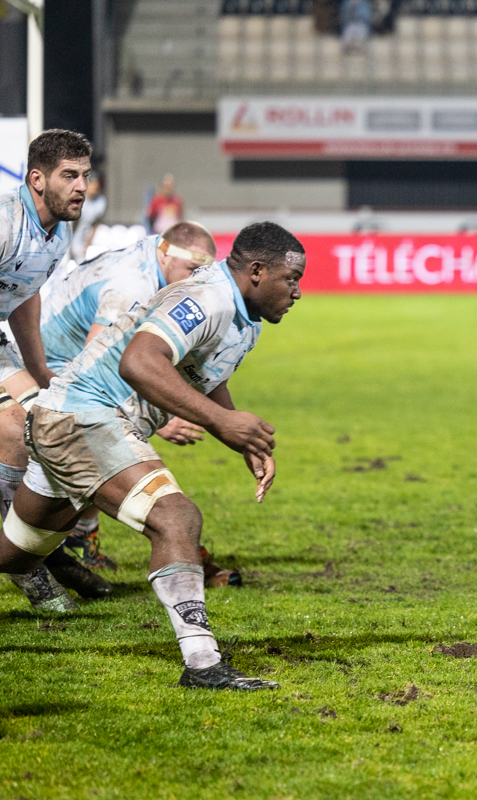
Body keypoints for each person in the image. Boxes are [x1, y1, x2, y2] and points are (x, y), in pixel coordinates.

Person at [0, 221, 303, 689]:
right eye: (292, 279)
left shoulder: (244, 318)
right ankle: (203, 664)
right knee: (176, 518)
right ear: (258, 271)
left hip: (72, 420)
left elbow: (207, 374)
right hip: (83, 418)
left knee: (14, 556)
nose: (298, 291)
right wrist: (222, 422)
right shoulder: (206, 298)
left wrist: (237, 435)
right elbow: (138, 362)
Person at [42, 222, 235, 586]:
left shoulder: (154, 260)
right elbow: (100, 362)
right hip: (48, 373)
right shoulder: (132, 285)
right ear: (165, 254)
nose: (197, 281)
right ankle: (183, 549)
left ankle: (75, 541)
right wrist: (163, 422)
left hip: (62, 372)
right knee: (112, 443)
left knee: (97, 452)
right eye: (192, 271)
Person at [0, 129, 94, 613]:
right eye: (69, 175)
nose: (82, 186)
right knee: (16, 430)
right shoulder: (4, 221)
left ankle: (39, 552)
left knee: (48, 425)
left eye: (85, 175)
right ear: (37, 179)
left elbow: (24, 291)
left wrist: (37, 369)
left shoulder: (59, 229)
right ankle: (26, 569)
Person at [69, 172, 106, 264]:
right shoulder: (78, 199)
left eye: (96, 188)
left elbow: (95, 225)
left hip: (83, 239)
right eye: (92, 186)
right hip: (71, 235)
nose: (94, 190)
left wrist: (87, 244)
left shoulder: (100, 202)